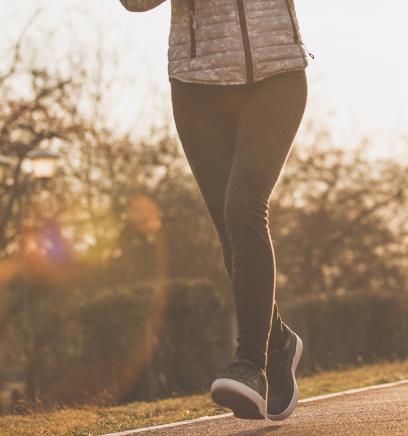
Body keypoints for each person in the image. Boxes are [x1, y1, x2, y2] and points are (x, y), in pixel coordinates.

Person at [119, 0, 310, 420]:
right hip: (196, 87)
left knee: (244, 207)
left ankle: (249, 365)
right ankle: (277, 344)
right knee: (229, 227)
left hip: (276, 74)